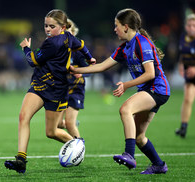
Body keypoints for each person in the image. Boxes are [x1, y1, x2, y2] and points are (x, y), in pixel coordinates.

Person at [70, 8, 170, 174]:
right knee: (139, 137)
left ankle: (129, 155)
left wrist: (126, 85)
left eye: (116, 26)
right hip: (149, 90)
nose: (114, 29)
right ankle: (159, 165)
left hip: (157, 89)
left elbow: (150, 73)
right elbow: (102, 66)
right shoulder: (125, 47)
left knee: (125, 109)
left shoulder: (141, 43)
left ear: (126, 26)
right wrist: (75, 70)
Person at [4, 9, 95, 173]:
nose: (47, 29)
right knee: (23, 116)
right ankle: (21, 159)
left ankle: (77, 144)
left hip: (56, 90)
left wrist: (26, 48)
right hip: (39, 85)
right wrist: (89, 58)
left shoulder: (52, 43)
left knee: (51, 132)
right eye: (46, 25)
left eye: (51, 26)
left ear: (62, 27)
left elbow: (32, 61)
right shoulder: (68, 37)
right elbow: (81, 45)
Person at [57, 19, 91, 137]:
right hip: (61, 91)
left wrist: (82, 73)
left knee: (70, 124)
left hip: (75, 90)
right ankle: (71, 123)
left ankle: (79, 148)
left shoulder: (77, 52)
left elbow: (90, 69)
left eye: (69, 32)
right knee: (57, 124)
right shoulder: (58, 51)